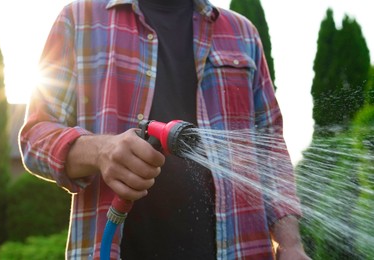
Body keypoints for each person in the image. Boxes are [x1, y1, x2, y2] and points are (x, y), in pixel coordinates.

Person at [19, 0, 310, 259]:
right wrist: (100, 151)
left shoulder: (242, 33)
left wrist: (291, 245)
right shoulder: (80, 20)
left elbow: (270, 149)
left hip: (239, 248)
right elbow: (34, 138)